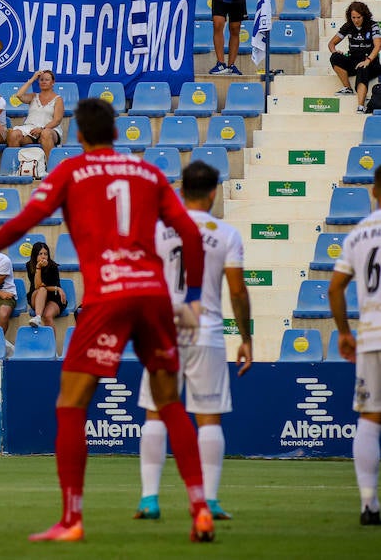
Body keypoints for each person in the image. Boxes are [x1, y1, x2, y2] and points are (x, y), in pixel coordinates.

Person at [0, 98, 214, 544]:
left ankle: (72, 519)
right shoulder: (147, 173)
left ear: (82, 135)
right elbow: (189, 232)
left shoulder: (72, 172)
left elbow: (24, 223)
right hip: (153, 295)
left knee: (71, 403)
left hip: (109, 295)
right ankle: (201, 508)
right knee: (169, 402)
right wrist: (192, 296)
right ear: (113, 131)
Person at [136, 160, 252, 523]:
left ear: (180, 190)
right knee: (208, 418)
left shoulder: (158, 230)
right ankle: (210, 500)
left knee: (155, 413)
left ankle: (150, 499)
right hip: (207, 331)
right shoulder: (227, 234)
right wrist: (246, 337)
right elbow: (236, 290)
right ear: (214, 192)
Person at [330, 164, 381, 527]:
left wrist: (344, 332)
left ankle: (368, 504)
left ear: (374, 192)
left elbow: (334, 288)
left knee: (369, 419)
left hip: (370, 335)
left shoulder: (357, 235)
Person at [329, 1, 381, 113]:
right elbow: (331, 44)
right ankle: (347, 88)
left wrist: (368, 60)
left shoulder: (373, 25)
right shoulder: (348, 26)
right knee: (335, 57)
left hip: (371, 63)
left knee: (363, 68)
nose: (356, 20)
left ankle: (361, 106)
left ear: (364, 16)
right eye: (353, 17)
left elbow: (378, 46)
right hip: (354, 60)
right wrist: (335, 51)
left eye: (359, 17)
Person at [6, 70, 65, 156]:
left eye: (47, 79)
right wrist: (32, 79)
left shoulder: (58, 99)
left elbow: (57, 120)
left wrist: (42, 129)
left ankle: (51, 167)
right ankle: (16, 167)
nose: (44, 82)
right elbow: (19, 95)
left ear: (53, 82)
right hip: (31, 130)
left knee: (46, 133)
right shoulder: (33, 96)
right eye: (41, 79)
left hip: (50, 130)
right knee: (13, 134)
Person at [25, 241, 66, 328]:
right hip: (37, 296)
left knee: (47, 316)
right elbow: (37, 286)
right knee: (42, 289)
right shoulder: (30, 265)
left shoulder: (53, 266)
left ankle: (52, 341)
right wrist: (38, 268)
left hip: (53, 298)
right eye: (40, 254)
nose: (43, 256)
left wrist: (57, 289)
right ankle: (38, 317)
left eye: (45, 254)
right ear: (35, 255)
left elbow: (55, 285)